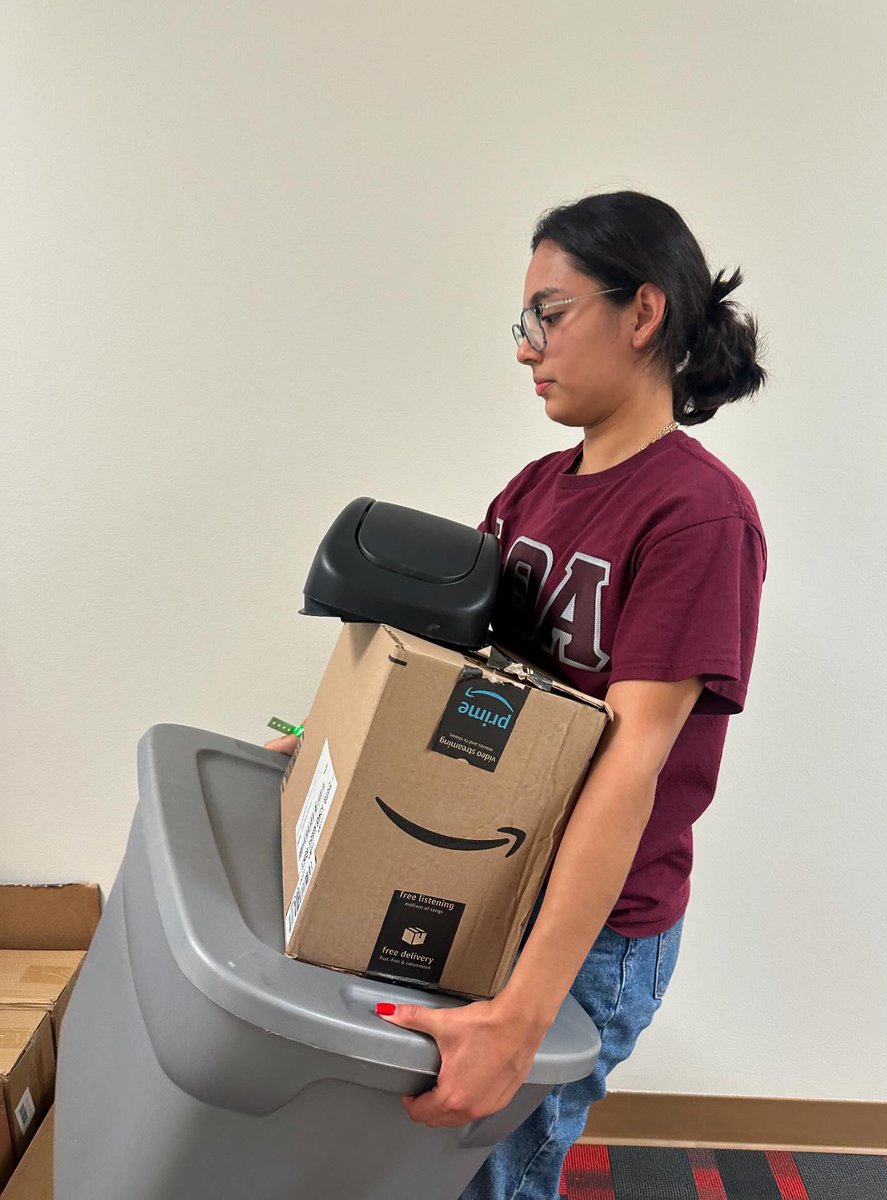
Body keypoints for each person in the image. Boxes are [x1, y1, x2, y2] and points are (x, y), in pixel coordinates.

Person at [266, 190, 767, 1200]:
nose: (526, 347)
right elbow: (466, 689)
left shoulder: (696, 516)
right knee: (413, 1163)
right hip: (491, 881)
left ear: (641, 313)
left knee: (485, 1180)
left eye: (549, 313)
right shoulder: (532, 490)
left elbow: (628, 765)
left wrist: (521, 1014)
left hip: (593, 933)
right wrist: (334, 739)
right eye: (522, 322)